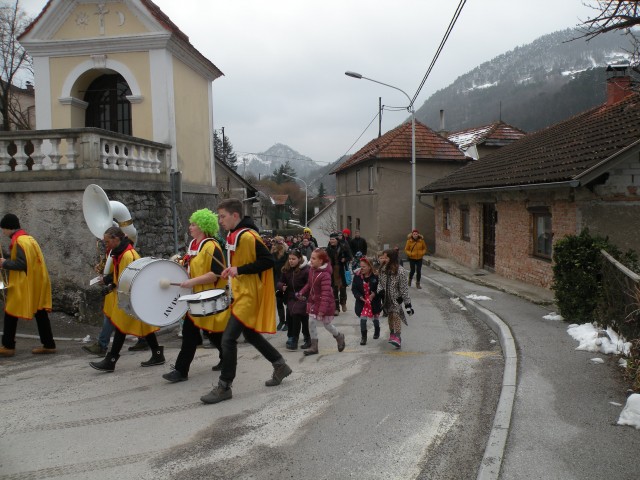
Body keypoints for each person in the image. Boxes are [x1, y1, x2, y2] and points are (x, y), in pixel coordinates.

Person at [200, 199, 292, 404]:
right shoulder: (235, 235)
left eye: (223, 216)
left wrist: (239, 270)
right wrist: (231, 270)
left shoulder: (248, 236)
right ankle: (280, 365)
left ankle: (224, 386)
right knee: (250, 334)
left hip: (249, 295)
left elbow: (267, 261)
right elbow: (243, 264)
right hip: (242, 293)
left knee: (228, 339)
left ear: (235, 216)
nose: (220, 221)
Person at [163, 208, 230, 383]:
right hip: (195, 297)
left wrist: (191, 282)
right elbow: (190, 267)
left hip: (207, 297)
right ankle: (183, 369)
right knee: (201, 333)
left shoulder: (212, 246)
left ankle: (182, 370)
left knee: (206, 333)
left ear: (202, 226)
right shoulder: (193, 245)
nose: (190, 227)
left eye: (193, 224)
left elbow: (216, 274)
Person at [89, 226, 165, 372]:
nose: (106, 244)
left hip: (131, 295)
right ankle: (157, 354)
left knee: (120, 326)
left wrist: (110, 284)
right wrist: (109, 282)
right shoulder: (122, 253)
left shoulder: (127, 255)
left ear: (116, 239)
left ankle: (110, 360)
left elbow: (126, 279)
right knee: (143, 326)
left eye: (107, 241)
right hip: (133, 294)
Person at [0, 213, 56, 357]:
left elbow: (21, 264)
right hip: (38, 281)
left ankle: (8, 346)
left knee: (10, 312)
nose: (3, 232)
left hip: (26, 284)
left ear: (8, 228)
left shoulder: (19, 241)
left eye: (3, 229)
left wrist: (4, 263)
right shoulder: (29, 238)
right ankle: (49, 344)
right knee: (40, 312)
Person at [297, 248, 345, 356]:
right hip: (314, 301)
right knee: (311, 322)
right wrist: (301, 292)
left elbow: (326, 294)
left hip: (325, 303)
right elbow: (309, 284)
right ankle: (314, 347)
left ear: (321, 261)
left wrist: (322, 310)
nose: (311, 260)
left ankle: (339, 336)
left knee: (327, 324)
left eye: (314, 258)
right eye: (311, 258)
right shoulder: (312, 270)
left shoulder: (325, 275)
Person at [377, 248, 413, 349]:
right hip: (386, 299)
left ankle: (398, 336)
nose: (384, 259)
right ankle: (392, 334)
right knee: (390, 316)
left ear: (392, 258)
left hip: (397, 299)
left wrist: (407, 304)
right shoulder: (382, 269)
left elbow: (404, 289)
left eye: (386, 257)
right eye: (383, 257)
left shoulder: (400, 271)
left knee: (396, 315)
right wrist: (380, 291)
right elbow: (380, 282)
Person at [277, 248, 310, 351]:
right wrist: (281, 286)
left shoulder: (305, 270)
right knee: (292, 316)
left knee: (297, 315)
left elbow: (310, 285)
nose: (291, 261)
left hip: (303, 297)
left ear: (299, 259)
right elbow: (279, 282)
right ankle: (295, 336)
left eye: (293, 259)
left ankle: (296, 339)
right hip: (290, 297)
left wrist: (304, 295)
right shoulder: (286, 270)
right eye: (290, 259)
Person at [351, 256, 382, 345]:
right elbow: (354, 289)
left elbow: (380, 288)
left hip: (374, 301)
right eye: (361, 266)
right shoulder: (357, 276)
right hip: (362, 301)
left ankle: (377, 330)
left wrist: (374, 294)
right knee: (363, 319)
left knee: (375, 318)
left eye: (364, 267)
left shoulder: (376, 276)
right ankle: (363, 337)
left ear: (369, 266)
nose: (362, 268)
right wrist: (359, 297)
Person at [326, 232, 350, 314]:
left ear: (336, 240)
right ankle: (336, 308)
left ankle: (343, 302)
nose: (331, 241)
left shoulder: (343, 247)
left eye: (333, 239)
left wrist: (345, 259)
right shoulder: (328, 249)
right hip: (332, 271)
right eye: (330, 239)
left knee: (343, 288)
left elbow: (349, 256)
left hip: (341, 270)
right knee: (334, 289)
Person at [271, 236, 288, 331]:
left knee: (287, 301)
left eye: (277, 243)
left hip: (285, 279)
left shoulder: (287, 254)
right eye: (275, 244)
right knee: (279, 301)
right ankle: (282, 320)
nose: (275, 245)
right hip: (276, 280)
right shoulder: (273, 254)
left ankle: (288, 322)